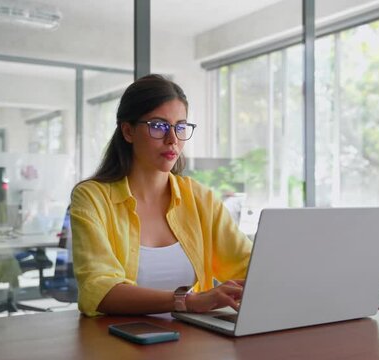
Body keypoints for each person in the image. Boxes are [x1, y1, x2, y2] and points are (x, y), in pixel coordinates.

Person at [70, 74, 252, 317]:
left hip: (192, 343)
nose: (172, 140)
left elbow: (248, 266)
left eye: (180, 127)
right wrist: (187, 301)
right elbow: (99, 290)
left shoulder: (200, 199)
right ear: (128, 131)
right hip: (117, 345)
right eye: (158, 126)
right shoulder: (92, 198)